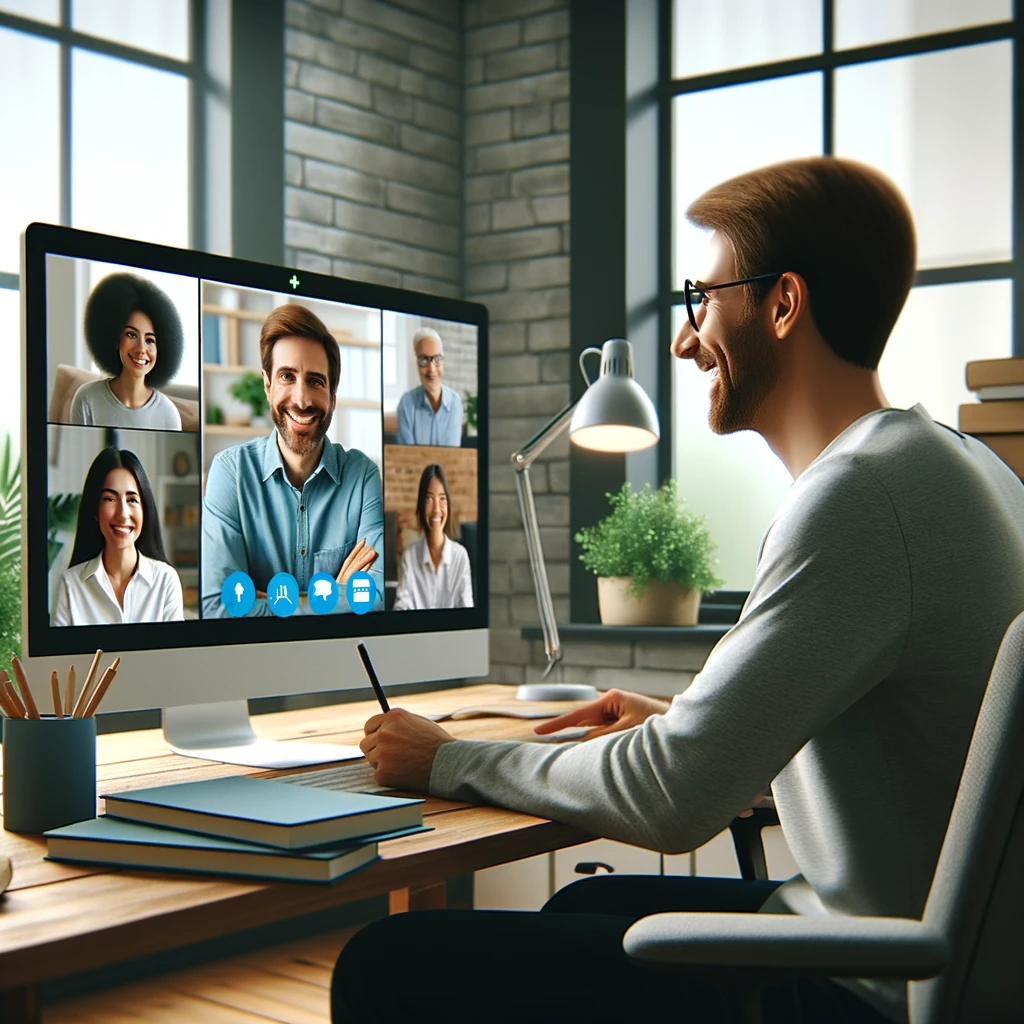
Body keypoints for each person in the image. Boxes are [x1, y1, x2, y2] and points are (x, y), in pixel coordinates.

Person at [334, 158, 1024, 1023]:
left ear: (782, 305)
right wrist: (680, 722)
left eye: (703, 299)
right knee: (579, 911)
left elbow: (672, 798)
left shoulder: (859, 497)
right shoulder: (964, 466)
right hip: (912, 944)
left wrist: (449, 758)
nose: (683, 339)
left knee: (386, 964)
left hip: (870, 986)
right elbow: (899, 738)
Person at [201, 303, 383, 617]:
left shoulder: (363, 476)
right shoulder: (230, 473)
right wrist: (332, 596)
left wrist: (268, 605)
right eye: (287, 376)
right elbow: (217, 606)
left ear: (332, 398)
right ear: (267, 385)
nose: (301, 400)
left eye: (316, 381)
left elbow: (377, 598)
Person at [53, 447, 184, 626]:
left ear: (145, 509)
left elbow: (175, 653)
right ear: (95, 510)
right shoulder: (70, 584)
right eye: (110, 499)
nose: (123, 514)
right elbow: (61, 654)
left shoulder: (166, 580)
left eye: (132, 500)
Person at [69, 273, 184, 430]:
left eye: (150, 340)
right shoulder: (86, 398)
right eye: (131, 334)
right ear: (116, 338)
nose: (141, 349)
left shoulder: (168, 413)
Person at [393, 464, 473, 611]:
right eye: (429, 498)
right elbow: (401, 609)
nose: (436, 509)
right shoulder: (410, 556)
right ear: (421, 506)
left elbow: (466, 610)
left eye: (442, 499)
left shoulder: (460, 556)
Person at [395, 327, 463, 447]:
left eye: (437, 359)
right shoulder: (406, 403)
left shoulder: (454, 402)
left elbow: (451, 456)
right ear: (417, 362)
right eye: (424, 360)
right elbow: (407, 458)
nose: (431, 369)